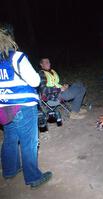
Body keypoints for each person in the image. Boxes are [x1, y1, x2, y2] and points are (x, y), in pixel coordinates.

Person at [0, 26, 52, 188]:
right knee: (29, 141)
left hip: (3, 107)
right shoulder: (16, 58)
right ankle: (33, 177)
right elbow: (35, 81)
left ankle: (9, 170)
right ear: (10, 39)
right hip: (22, 106)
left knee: (10, 138)